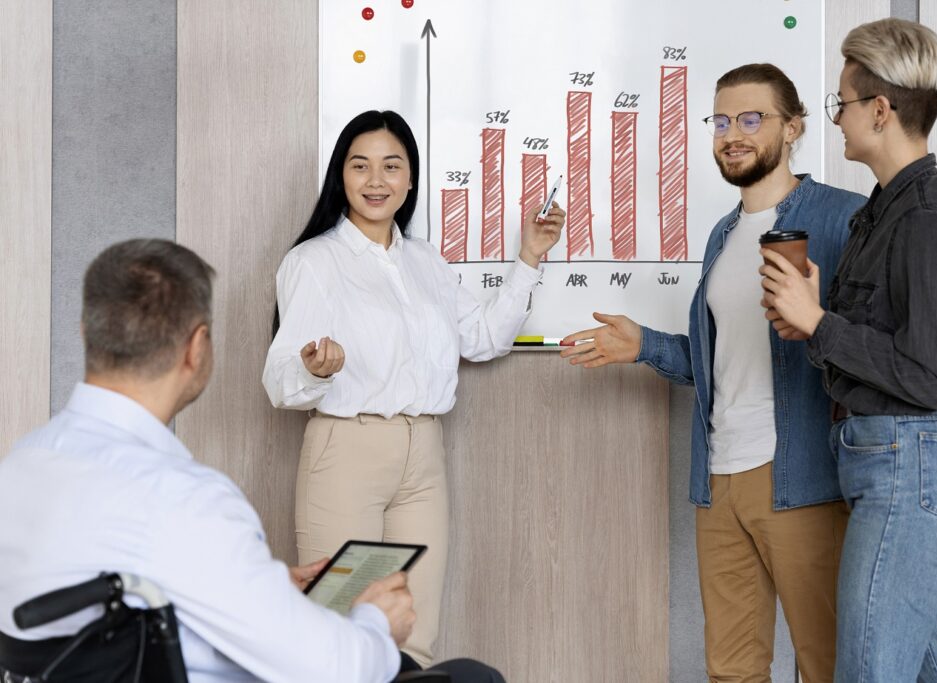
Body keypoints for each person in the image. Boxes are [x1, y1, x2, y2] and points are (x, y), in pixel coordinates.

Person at [0, 239, 504, 683]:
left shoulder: (20, 468)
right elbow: (334, 671)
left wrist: (258, 584)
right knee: (472, 676)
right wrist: (374, 622)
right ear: (197, 348)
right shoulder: (189, 500)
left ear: (85, 332)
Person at [560, 64, 864, 681]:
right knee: (730, 669)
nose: (734, 133)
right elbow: (720, 365)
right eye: (722, 120)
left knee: (828, 664)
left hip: (801, 476)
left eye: (752, 118)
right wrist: (644, 344)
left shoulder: (845, 218)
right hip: (717, 480)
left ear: (795, 127)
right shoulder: (723, 235)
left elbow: (869, 345)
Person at [262, 110, 564, 668]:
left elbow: (484, 339)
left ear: (409, 180)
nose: (375, 180)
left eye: (390, 166)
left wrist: (531, 256)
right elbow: (279, 380)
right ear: (341, 176)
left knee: (415, 636)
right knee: (343, 633)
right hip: (347, 453)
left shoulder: (426, 261)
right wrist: (314, 369)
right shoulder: (313, 261)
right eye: (360, 166)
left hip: (423, 454)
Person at [761, 19, 937, 682]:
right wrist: (813, 320)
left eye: (841, 103)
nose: (834, 119)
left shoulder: (924, 217)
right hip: (898, 463)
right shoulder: (881, 211)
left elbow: (934, 374)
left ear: (881, 110)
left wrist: (821, 322)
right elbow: (888, 353)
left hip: (909, 467)